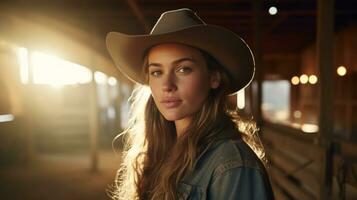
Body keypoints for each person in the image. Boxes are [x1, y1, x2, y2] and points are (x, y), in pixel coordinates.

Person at [106, 8, 274, 200]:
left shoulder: (233, 166)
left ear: (213, 78)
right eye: (157, 72)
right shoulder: (161, 150)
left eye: (183, 69)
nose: (167, 85)